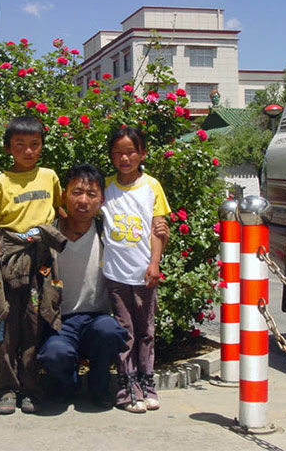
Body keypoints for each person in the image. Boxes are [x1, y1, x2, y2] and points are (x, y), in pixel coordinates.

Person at [0, 116, 66, 415]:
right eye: (20, 145)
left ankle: (30, 388)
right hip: (9, 260)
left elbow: (60, 211)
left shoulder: (50, 176)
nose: (28, 151)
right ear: (8, 148)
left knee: (34, 324)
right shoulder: (0, 182)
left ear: (41, 146)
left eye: (34, 144)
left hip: (41, 263)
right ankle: (5, 389)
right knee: (5, 325)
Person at [36, 164, 128, 408]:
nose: (83, 201)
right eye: (76, 192)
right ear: (64, 195)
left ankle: (99, 386)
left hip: (96, 320)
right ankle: (68, 385)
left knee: (110, 332)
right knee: (54, 353)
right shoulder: (48, 235)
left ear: (101, 200)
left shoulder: (107, 234)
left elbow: (139, 249)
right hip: (60, 323)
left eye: (91, 194)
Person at [101, 126, 170, 413]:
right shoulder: (105, 186)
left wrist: (154, 263)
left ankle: (147, 382)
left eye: (130, 152)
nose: (124, 158)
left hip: (144, 274)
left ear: (142, 153)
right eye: (118, 153)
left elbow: (159, 228)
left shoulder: (151, 186)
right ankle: (127, 385)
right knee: (124, 331)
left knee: (146, 331)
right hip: (115, 275)